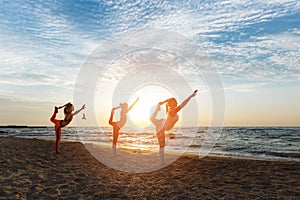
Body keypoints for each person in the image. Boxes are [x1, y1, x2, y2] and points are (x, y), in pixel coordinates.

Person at [150, 90, 197, 163]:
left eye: (175, 102)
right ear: (170, 104)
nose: (175, 103)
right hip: (161, 127)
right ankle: (162, 161)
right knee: (162, 146)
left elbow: (169, 100)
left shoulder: (170, 110)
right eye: (173, 102)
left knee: (162, 145)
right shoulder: (172, 111)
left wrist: (163, 102)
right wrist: (190, 96)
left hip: (163, 123)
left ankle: (157, 108)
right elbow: (183, 104)